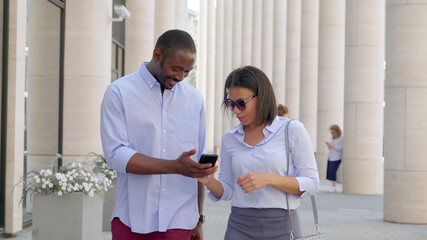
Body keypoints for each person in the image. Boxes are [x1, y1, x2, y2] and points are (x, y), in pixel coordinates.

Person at [100, 29, 217, 240]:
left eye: (187, 72)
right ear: (157, 55)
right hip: (132, 218)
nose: (181, 77)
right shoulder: (118, 93)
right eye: (176, 68)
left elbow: (197, 167)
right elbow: (116, 155)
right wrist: (174, 167)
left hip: (179, 218)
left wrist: (198, 218)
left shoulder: (195, 100)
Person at [198, 66, 319, 240]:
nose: (235, 110)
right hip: (239, 227)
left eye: (241, 103)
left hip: (284, 227)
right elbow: (228, 191)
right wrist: (207, 180)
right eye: (230, 104)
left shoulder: (292, 130)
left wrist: (268, 179)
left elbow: (313, 184)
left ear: (261, 97)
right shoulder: (230, 138)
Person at [326, 124, 343, 193]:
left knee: (333, 171)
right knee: (330, 172)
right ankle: (333, 185)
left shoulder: (341, 138)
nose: (332, 134)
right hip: (330, 157)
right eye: (331, 132)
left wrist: (333, 146)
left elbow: (341, 148)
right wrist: (329, 145)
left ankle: (334, 186)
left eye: (333, 132)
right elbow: (331, 147)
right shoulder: (333, 138)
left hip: (337, 157)